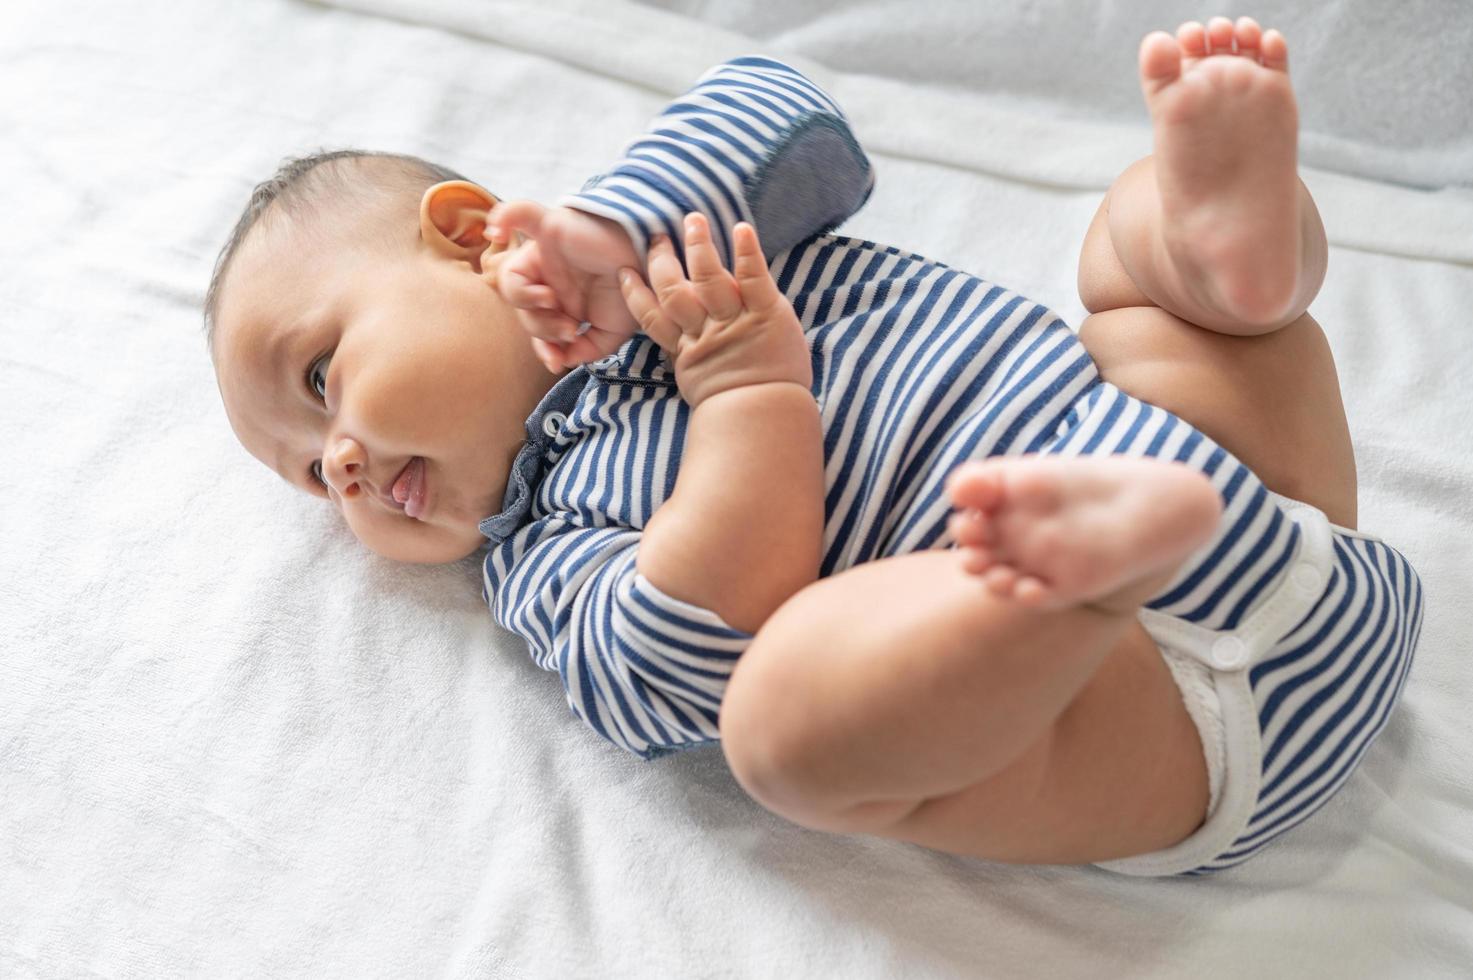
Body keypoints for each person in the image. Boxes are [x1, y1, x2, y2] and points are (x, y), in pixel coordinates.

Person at [205, 16, 1422, 877]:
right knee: (783, 725)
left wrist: (616, 230)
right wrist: (745, 397)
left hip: (1259, 496)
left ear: (469, 236)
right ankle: (1051, 593)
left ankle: (1234, 260)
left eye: (320, 379)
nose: (342, 465)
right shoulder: (546, 551)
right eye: (312, 472)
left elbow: (790, 110)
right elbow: (679, 660)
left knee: (1135, 262)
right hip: (1137, 728)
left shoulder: (673, 239)